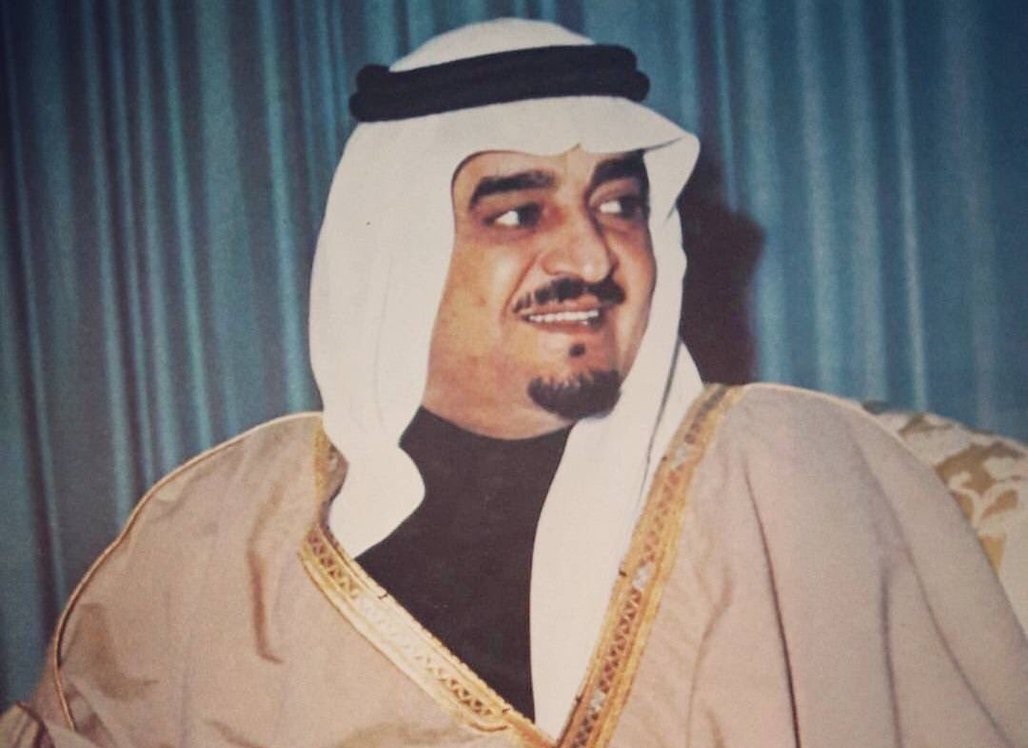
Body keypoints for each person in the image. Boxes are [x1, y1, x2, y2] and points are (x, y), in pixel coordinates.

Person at [3, 18, 1026, 748]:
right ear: (395, 255)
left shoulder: (796, 470)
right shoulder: (222, 528)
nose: (591, 254)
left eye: (619, 204)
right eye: (516, 213)